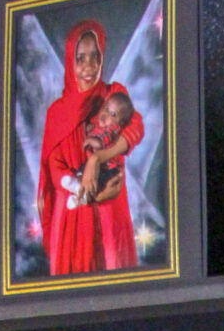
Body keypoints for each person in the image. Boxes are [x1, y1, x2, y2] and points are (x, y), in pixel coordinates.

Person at [36, 19, 144, 275]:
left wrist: (97, 159)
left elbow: (136, 126)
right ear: (70, 61)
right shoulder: (56, 113)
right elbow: (51, 169)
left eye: (95, 56)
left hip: (109, 212)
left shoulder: (113, 95)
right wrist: (83, 191)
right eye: (81, 58)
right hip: (71, 218)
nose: (89, 66)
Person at [60, 89, 137, 209]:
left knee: (96, 183)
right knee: (83, 171)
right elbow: (95, 129)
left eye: (113, 115)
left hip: (108, 169)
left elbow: (101, 143)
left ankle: (82, 197)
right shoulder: (101, 124)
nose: (106, 114)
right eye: (106, 108)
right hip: (99, 166)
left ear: (120, 123)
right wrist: (90, 128)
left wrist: (91, 140)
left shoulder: (112, 130)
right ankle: (78, 187)